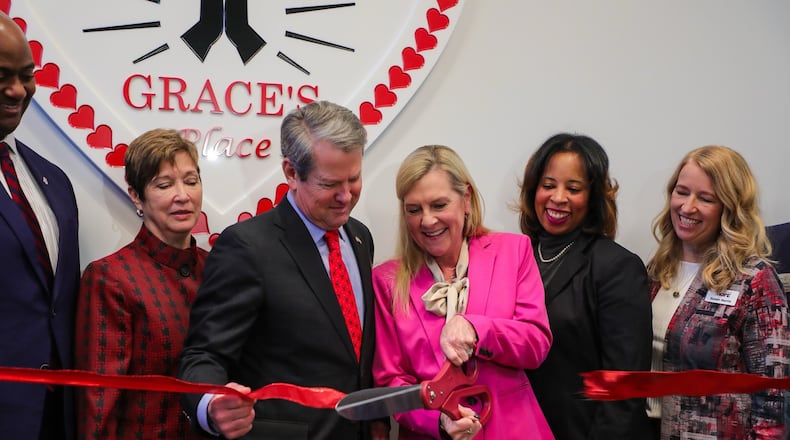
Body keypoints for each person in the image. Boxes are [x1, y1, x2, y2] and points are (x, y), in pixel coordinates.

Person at [179, 100, 386, 440]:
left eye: (355, 178)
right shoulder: (246, 248)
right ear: (291, 173)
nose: (346, 196)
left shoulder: (360, 237)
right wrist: (211, 404)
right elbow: (203, 355)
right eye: (330, 183)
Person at [373, 145, 554, 439]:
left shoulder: (513, 251)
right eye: (414, 210)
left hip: (512, 430)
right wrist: (438, 421)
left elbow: (536, 343)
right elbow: (390, 382)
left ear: (466, 199)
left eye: (439, 205)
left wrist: (476, 327)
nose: (427, 220)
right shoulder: (386, 280)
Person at [646, 145, 789, 439]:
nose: (687, 207)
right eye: (682, 191)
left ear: (730, 207)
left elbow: (773, 396)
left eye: (706, 198)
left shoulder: (754, 279)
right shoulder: (656, 270)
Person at [518, 133, 653, 439]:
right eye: (548, 185)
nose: (558, 197)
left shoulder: (617, 267)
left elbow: (624, 389)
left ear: (593, 197)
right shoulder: (515, 257)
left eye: (573, 188)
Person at [74, 128, 207, 439]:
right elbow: (98, 404)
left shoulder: (217, 267)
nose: (182, 196)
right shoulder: (110, 277)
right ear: (136, 196)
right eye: (164, 185)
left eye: (191, 181)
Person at [0, 12, 80, 440]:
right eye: (2, 75)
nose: (17, 90)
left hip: (55, 415)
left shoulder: (55, 181)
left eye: (27, 76)